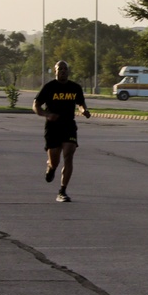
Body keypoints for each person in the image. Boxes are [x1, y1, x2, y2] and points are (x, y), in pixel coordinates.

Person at [32, 60, 91, 202]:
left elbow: (80, 103)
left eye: (65, 68)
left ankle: (62, 191)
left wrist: (84, 111)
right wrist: (46, 114)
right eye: (60, 69)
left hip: (69, 126)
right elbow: (36, 105)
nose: (63, 71)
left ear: (68, 71)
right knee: (55, 161)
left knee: (69, 155)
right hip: (52, 127)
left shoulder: (75, 87)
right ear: (55, 71)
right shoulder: (49, 87)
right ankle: (51, 168)